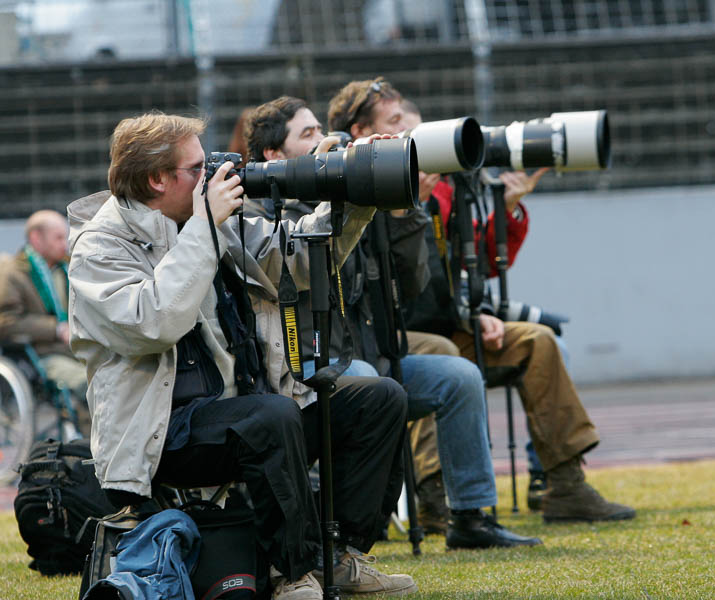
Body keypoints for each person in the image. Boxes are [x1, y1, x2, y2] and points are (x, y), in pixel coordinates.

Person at [67, 112, 415, 599]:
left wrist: (355, 193)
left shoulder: (204, 218)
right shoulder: (99, 248)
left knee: (377, 399)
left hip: (242, 410)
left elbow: (294, 257)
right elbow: (154, 321)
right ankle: (292, 573)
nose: (213, 175)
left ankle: (337, 556)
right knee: (268, 418)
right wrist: (206, 224)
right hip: (161, 436)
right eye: (197, 168)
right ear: (156, 179)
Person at [329, 78, 636, 524]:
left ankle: (565, 486)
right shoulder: (355, 191)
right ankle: (433, 494)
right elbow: (395, 284)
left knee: (539, 341)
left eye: (419, 132)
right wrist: (407, 204)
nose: (419, 144)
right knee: (443, 354)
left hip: (452, 325)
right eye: (399, 128)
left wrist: (483, 308)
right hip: (384, 336)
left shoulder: (447, 191)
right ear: (362, 133)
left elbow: (473, 267)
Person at [242, 96, 541, 550]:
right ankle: (348, 530)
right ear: (273, 156)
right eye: (307, 135)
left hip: (366, 356)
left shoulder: (350, 198)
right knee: (366, 381)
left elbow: (412, 285)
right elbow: (296, 273)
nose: (323, 139)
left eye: (320, 128)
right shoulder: (261, 216)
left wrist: (404, 209)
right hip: (300, 371)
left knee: (459, 376)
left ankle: (468, 515)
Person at [0, 209, 89, 434]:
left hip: (76, 350)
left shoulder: (67, 270)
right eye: (58, 237)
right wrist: (56, 330)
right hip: (42, 355)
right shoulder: (12, 273)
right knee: (92, 384)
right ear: (36, 238)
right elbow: (6, 322)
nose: (65, 244)